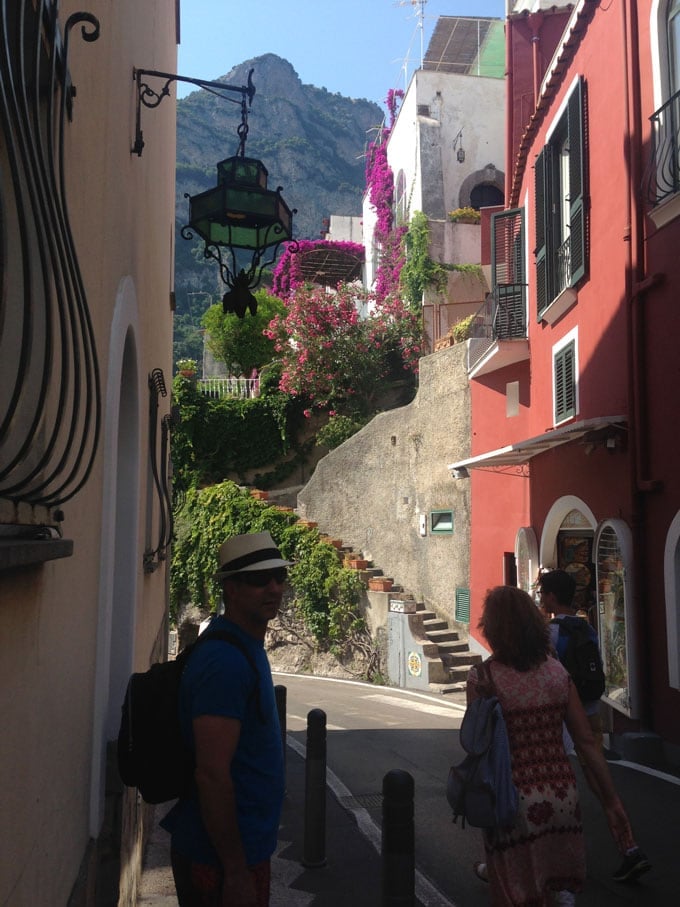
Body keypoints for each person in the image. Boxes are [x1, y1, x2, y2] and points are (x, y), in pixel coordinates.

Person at [467, 585, 636, 906]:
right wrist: (612, 802)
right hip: (561, 798)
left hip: (509, 801)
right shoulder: (556, 673)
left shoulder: (483, 679)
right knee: (559, 887)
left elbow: (477, 745)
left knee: (517, 892)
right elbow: (586, 742)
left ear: (491, 627)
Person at [162, 530, 290, 907]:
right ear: (231, 588)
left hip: (239, 850)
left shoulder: (243, 645)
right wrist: (235, 871)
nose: (273, 588)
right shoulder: (225, 663)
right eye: (257, 579)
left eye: (279, 576)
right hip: (216, 859)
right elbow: (212, 774)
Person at [537, 569, 651, 884]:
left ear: (550, 597)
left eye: (542, 593)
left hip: (561, 718)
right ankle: (629, 849)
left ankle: (547, 860)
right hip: (590, 713)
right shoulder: (586, 627)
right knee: (604, 789)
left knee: (548, 785)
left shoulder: (551, 632)